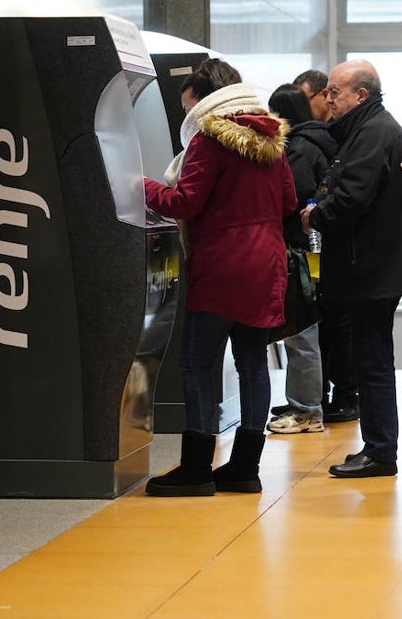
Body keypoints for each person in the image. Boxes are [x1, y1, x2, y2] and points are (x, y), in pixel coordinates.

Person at [144, 59, 297, 496]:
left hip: (223, 263)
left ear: (205, 101)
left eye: (188, 106)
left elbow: (186, 202)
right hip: (266, 263)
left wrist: (140, 186)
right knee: (252, 363)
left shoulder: (212, 140)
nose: (186, 118)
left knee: (196, 362)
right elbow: (287, 201)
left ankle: (196, 468)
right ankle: (245, 467)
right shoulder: (272, 139)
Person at [302, 59, 402, 478]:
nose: (328, 98)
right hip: (369, 265)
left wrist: (314, 216)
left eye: (335, 91)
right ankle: (377, 446)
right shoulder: (371, 129)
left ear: (361, 95)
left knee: (371, 361)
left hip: (369, 267)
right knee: (369, 358)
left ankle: (381, 450)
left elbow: (351, 197)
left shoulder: (373, 132)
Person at [265, 83, 337, 434]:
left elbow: (287, 198)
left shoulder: (298, 149)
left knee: (301, 328)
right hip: (319, 248)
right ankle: (308, 402)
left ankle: (307, 410)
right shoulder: (323, 138)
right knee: (309, 327)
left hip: (300, 248)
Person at [294, 67, 360, 422]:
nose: (330, 102)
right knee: (329, 322)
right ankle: (328, 393)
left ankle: (346, 393)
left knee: (341, 323)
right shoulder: (326, 137)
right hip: (321, 247)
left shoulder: (331, 139)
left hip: (335, 244)